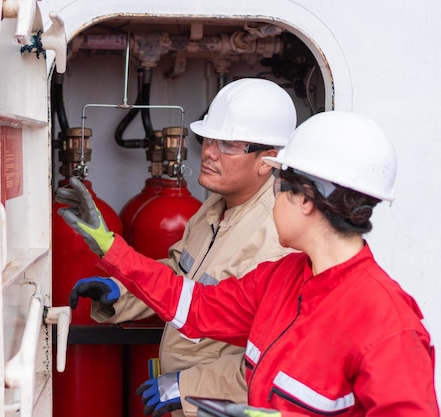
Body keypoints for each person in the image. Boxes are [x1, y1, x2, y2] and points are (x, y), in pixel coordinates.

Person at [56, 110, 439, 417]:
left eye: (280, 189)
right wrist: (110, 247)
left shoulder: (388, 326)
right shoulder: (282, 280)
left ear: (307, 200)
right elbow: (193, 305)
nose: (273, 200)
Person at [62, 78, 298, 417]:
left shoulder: (277, 238)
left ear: (267, 159)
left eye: (228, 144)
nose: (209, 151)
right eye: (208, 138)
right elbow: (179, 275)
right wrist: (119, 291)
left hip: (217, 408)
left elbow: (274, 361)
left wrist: (187, 388)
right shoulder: (216, 206)